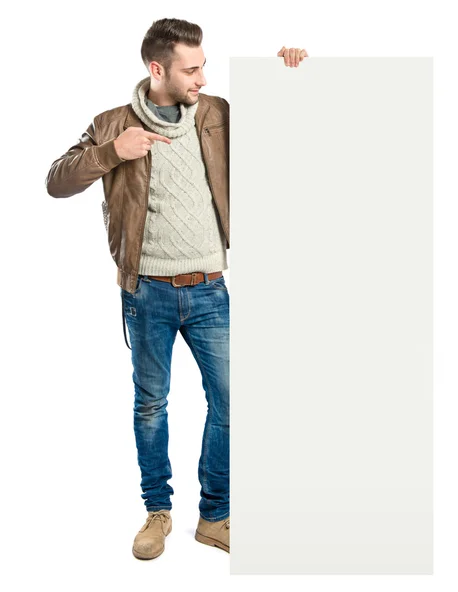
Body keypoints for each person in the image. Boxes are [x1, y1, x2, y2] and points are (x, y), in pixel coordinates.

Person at [45, 17, 308, 560]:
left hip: (211, 289)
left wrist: (290, 79)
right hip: (146, 294)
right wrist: (113, 152)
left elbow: (284, 139)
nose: (202, 77)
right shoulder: (111, 123)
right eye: (192, 69)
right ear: (156, 68)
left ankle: (215, 516)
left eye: (205, 65)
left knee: (234, 403)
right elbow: (57, 180)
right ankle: (157, 513)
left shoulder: (216, 115)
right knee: (150, 406)